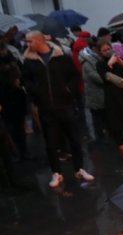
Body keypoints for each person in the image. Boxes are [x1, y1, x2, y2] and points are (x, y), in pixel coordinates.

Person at [22, 31, 94, 188]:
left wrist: (69, 89)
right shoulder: (29, 61)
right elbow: (26, 81)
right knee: (50, 143)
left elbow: (75, 76)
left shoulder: (61, 56)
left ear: (39, 40)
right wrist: (36, 92)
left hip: (65, 105)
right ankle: (57, 173)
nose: (28, 44)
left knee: (74, 139)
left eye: (30, 41)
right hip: (46, 108)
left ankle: (79, 168)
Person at [97, 40, 123, 160]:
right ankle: (122, 148)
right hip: (112, 97)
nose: (108, 51)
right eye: (104, 50)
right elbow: (104, 77)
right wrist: (110, 63)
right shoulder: (100, 63)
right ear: (100, 52)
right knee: (117, 124)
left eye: (109, 49)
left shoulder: (120, 59)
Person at [79, 36, 106, 142]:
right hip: (94, 92)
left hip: (101, 92)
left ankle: (103, 133)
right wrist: (108, 79)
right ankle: (100, 137)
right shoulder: (87, 61)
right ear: (94, 48)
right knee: (97, 116)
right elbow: (93, 76)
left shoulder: (97, 57)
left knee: (102, 115)